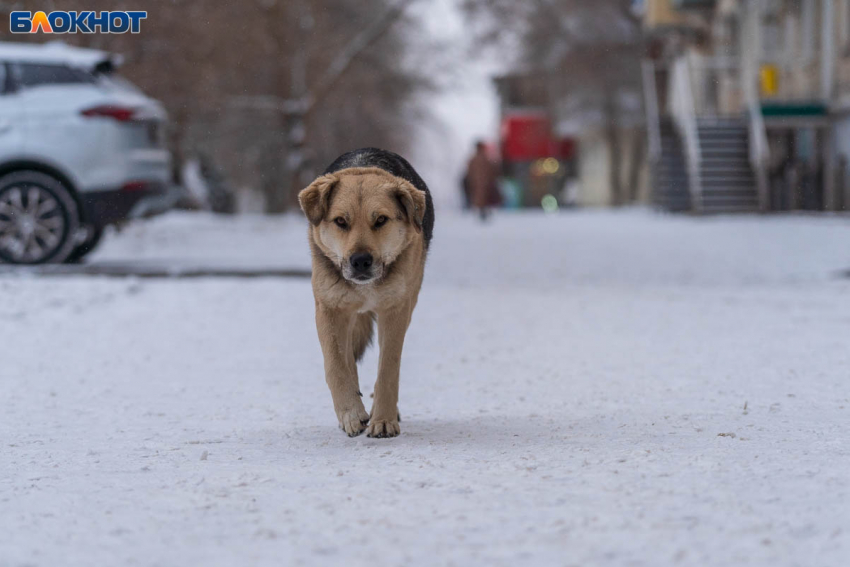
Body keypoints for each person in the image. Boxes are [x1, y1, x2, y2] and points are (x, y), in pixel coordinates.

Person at [465, 140, 500, 221]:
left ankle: (482, 211)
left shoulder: (474, 158)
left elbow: (470, 171)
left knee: (481, 197)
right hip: (483, 181)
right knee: (483, 197)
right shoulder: (484, 158)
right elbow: (492, 170)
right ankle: (483, 212)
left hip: (479, 182)